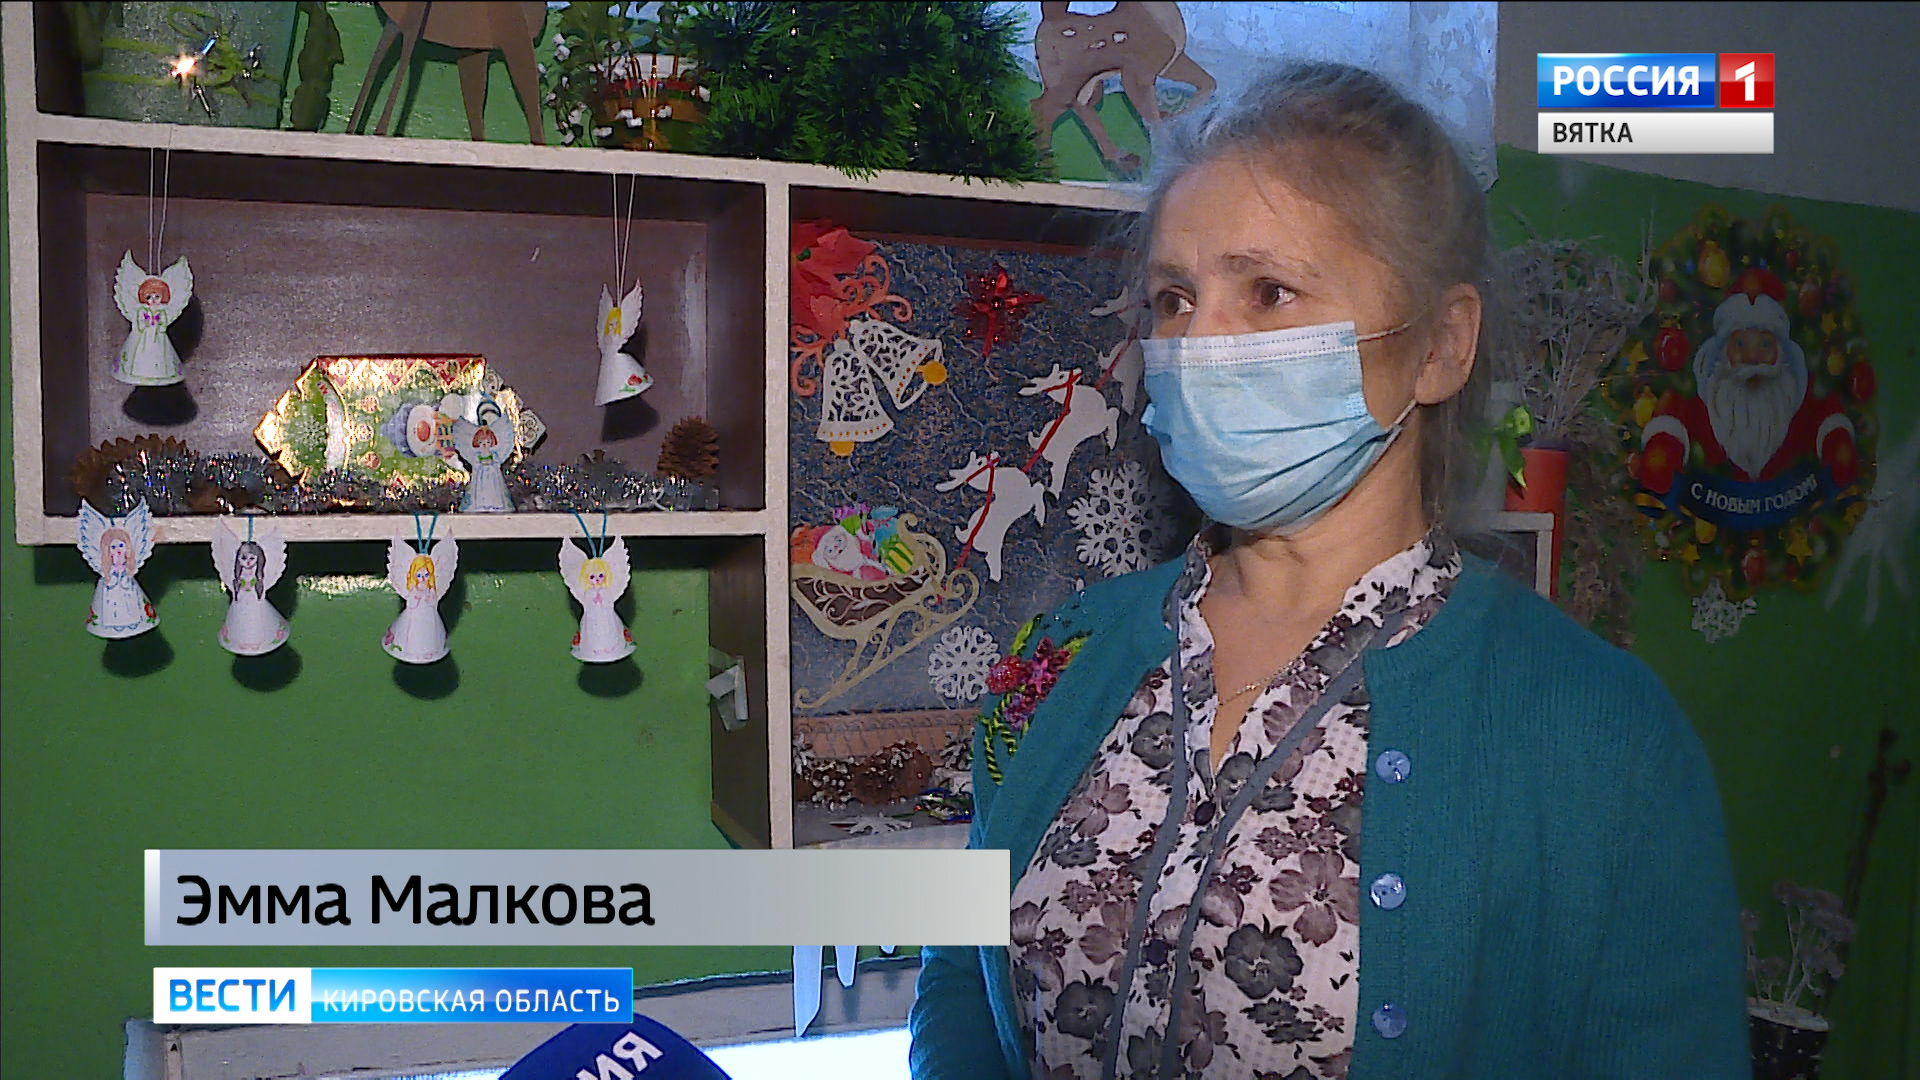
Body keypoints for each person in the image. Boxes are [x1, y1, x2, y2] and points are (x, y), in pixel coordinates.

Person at [909, 61, 1748, 1080]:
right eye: (1175, 298)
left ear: (1440, 346)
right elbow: (961, 966)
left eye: (1268, 291)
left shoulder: (1604, 736)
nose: (1198, 344)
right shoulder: (1061, 653)